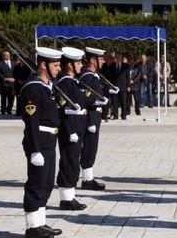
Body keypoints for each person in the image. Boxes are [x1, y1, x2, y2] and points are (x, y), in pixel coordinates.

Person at [20, 47, 64, 238]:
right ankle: (32, 227)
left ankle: (40, 222)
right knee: (36, 183)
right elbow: (31, 122)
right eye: (55, 65)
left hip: (49, 140)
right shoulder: (33, 87)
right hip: (38, 140)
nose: (59, 69)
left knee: (46, 183)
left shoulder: (48, 87)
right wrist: (35, 150)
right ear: (43, 65)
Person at [55, 47, 90, 211]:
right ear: (69, 65)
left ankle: (70, 195)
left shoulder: (73, 81)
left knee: (73, 162)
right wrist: (71, 132)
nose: (81, 65)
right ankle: (66, 199)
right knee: (69, 162)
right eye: (78, 62)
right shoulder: (65, 83)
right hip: (71, 130)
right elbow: (62, 110)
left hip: (78, 126)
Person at [79, 47, 108, 191]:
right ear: (92, 60)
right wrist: (91, 121)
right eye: (100, 58)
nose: (103, 61)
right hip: (91, 116)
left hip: (95, 115)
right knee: (89, 147)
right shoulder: (87, 77)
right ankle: (87, 179)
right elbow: (87, 99)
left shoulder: (93, 76)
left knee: (92, 147)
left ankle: (88, 177)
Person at [109, 52, 129, 119]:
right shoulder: (112, 66)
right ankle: (115, 115)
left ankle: (123, 115)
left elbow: (127, 76)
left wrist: (128, 86)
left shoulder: (125, 66)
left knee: (123, 101)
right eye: (116, 56)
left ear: (121, 57)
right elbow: (110, 77)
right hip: (114, 86)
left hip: (123, 86)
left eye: (119, 56)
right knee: (114, 102)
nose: (118, 57)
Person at [0, 50, 16, 115]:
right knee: (3, 98)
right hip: (3, 84)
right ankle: (3, 111)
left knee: (11, 98)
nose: (7, 56)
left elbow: (16, 72)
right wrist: (5, 78)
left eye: (8, 55)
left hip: (12, 84)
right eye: (5, 55)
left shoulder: (14, 63)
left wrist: (14, 79)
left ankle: (9, 110)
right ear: (3, 56)